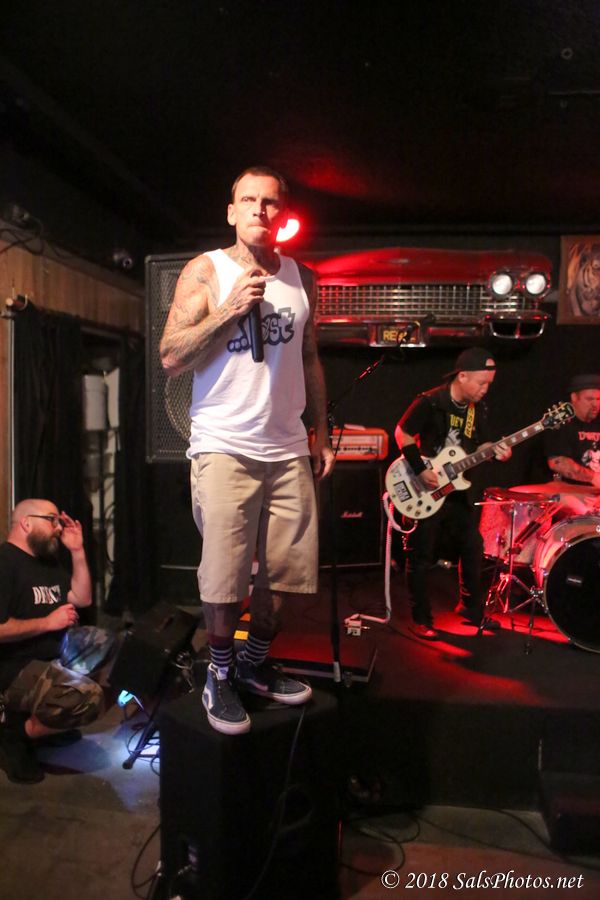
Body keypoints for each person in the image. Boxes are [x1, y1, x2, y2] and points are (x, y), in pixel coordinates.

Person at [160, 165, 334, 735]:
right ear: (232, 212)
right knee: (225, 578)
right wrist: (229, 309)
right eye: (249, 199)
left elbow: (308, 356)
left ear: (282, 214)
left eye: (271, 201)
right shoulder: (206, 270)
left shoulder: (302, 278)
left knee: (285, 578)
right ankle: (219, 672)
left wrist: (321, 432)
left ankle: (254, 664)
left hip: (287, 446)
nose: (261, 209)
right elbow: (171, 356)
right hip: (224, 444)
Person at [394, 347, 512, 640]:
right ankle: (421, 619)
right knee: (421, 554)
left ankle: (470, 608)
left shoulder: (476, 409)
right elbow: (402, 432)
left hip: (456, 490)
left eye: (489, 384)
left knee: (472, 546)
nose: (485, 390)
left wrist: (497, 452)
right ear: (462, 376)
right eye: (481, 383)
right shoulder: (431, 401)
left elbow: (480, 446)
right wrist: (419, 469)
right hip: (426, 487)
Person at [0, 499, 113, 784]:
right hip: (14, 667)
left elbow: (82, 598)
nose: (58, 527)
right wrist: (48, 622)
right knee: (89, 698)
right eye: (51, 520)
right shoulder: (5, 563)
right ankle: (15, 735)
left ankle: (46, 720)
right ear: (26, 523)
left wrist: (77, 551)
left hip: (51, 655)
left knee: (108, 645)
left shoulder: (46, 561)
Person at [543, 374, 600, 487]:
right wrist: (593, 477)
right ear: (574, 397)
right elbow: (557, 463)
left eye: (598, 399)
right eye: (589, 399)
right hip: (570, 489)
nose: (595, 404)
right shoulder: (560, 424)